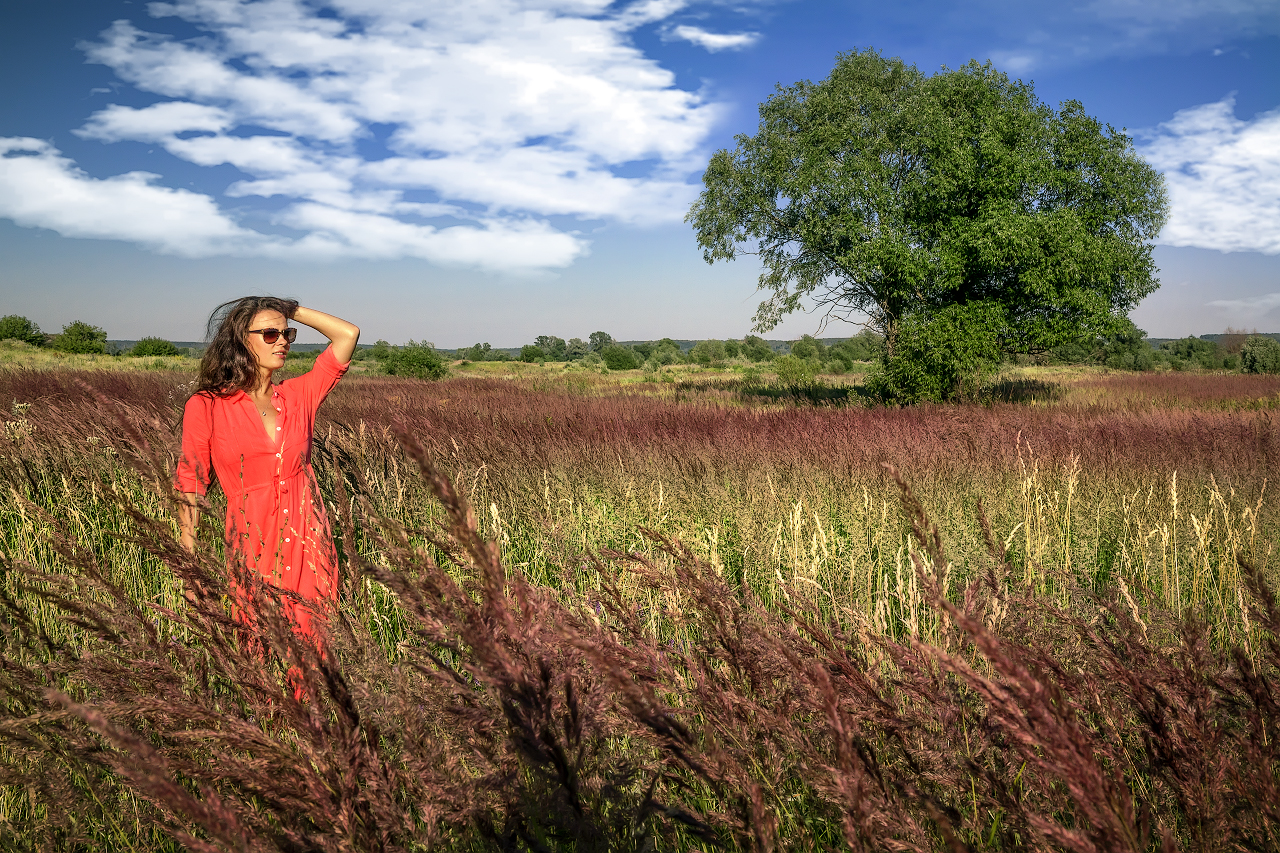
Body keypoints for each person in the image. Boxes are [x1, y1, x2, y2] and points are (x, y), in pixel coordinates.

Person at [175, 297, 359, 639]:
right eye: (270, 334)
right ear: (242, 339)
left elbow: (348, 334)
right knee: (260, 653)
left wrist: (287, 309)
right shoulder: (207, 406)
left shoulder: (298, 395)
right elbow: (191, 487)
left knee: (316, 657)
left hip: (310, 547)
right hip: (253, 549)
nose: (284, 342)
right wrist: (190, 570)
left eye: (287, 333)